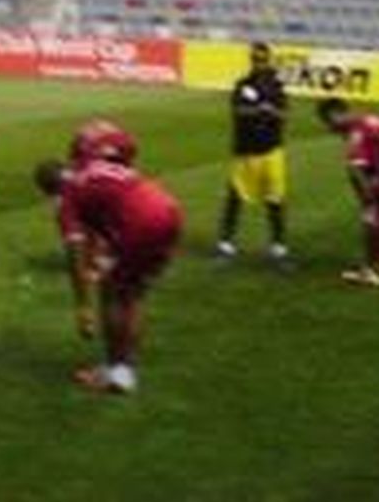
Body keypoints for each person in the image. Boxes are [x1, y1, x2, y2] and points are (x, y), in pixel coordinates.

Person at [34, 154, 182, 394]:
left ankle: (118, 375)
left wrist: (83, 306)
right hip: (168, 210)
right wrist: (103, 259)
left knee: (110, 292)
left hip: (140, 223)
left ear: (48, 191)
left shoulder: (67, 198)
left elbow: (75, 253)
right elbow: (109, 212)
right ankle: (126, 366)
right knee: (132, 295)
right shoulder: (90, 168)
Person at [216, 42, 290, 262]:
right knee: (235, 197)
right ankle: (225, 242)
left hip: (271, 151)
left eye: (262, 60)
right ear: (251, 60)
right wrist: (260, 110)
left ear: (268, 60)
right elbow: (237, 110)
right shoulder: (243, 84)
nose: (259, 64)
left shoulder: (277, 86)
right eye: (256, 59)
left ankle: (278, 245)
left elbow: (284, 114)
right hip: (246, 151)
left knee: (275, 198)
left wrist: (271, 111)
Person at [317, 97, 379, 286]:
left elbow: (356, 169)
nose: (329, 127)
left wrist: (367, 196)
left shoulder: (356, 134)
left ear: (336, 114)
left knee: (371, 219)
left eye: (328, 121)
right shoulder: (368, 119)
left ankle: (369, 271)